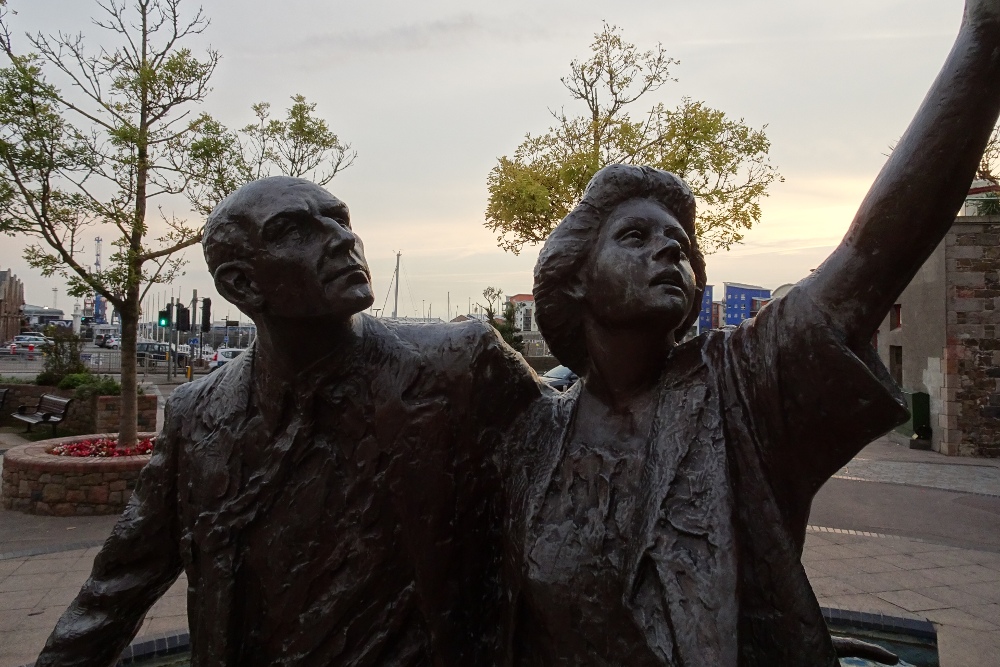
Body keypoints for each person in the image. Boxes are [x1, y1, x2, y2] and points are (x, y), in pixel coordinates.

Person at [497, 2, 1000, 665]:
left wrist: (983, 46)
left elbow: (868, 261)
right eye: (636, 236)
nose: (669, 251)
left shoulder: (740, 388)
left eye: (680, 244)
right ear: (578, 277)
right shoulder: (527, 437)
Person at [34, 176, 543, 666]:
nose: (343, 239)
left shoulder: (459, 364)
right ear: (241, 283)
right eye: (296, 230)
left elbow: (576, 456)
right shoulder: (196, 415)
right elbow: (113, 594)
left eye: (340, 219)